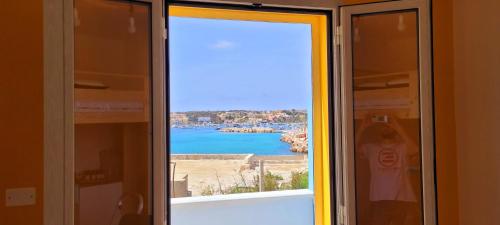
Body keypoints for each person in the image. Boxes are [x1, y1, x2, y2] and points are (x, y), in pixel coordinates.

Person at [355, 114, 419, 225]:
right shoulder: (371, 147)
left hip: (402, 199)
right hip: (379, 200)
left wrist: (398, 127)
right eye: (382, 125)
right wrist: (362, 128)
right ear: (377, 130)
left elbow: (415, 150)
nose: (385, 127)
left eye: (388, 125)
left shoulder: (402, 146)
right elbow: (350, 149)